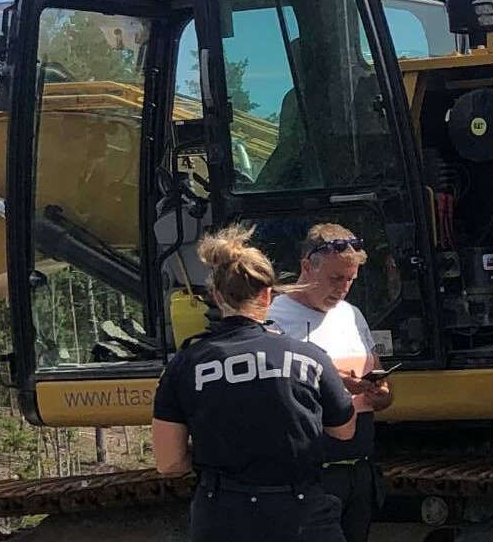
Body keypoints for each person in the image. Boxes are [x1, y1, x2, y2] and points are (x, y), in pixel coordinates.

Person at [150, 223, 357, 542]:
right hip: (300, 515)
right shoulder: (310, 358)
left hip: (222, 515)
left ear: (217, 295)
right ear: (266, 294)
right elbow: (344, 431)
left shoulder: (184, 365)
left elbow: (169, 462)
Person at [268, 223, 393, 542]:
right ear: (307, 266)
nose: (343, 289)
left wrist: (380, 393)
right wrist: (332, 384)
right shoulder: (273, 319)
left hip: (360, 468)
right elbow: (272, 393)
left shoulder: (351, 314)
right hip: (311, 475)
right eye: (336, 278)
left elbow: (378, 373)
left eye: (350, 279)